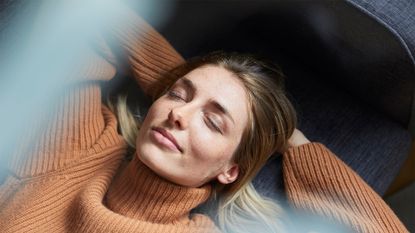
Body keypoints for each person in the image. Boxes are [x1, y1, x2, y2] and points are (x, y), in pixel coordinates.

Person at [0, 2, 408, 233]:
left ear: (231, 169)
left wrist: (293, 146)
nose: (179, 114)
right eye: (178, 96)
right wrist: (176, 81)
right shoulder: (80, 145)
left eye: (214, 122)